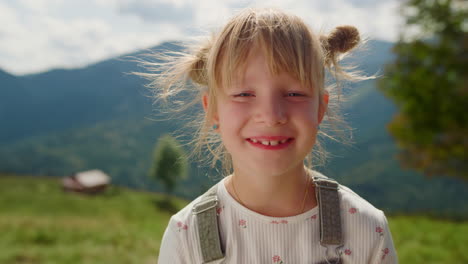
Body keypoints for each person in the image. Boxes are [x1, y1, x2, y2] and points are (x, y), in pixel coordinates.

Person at [142, 8, 398, 264]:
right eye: (244, 94)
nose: (271, 115)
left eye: (295, 93)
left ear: (320, 108)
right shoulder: (187, 237)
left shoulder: (365, 229)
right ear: (213, 110)